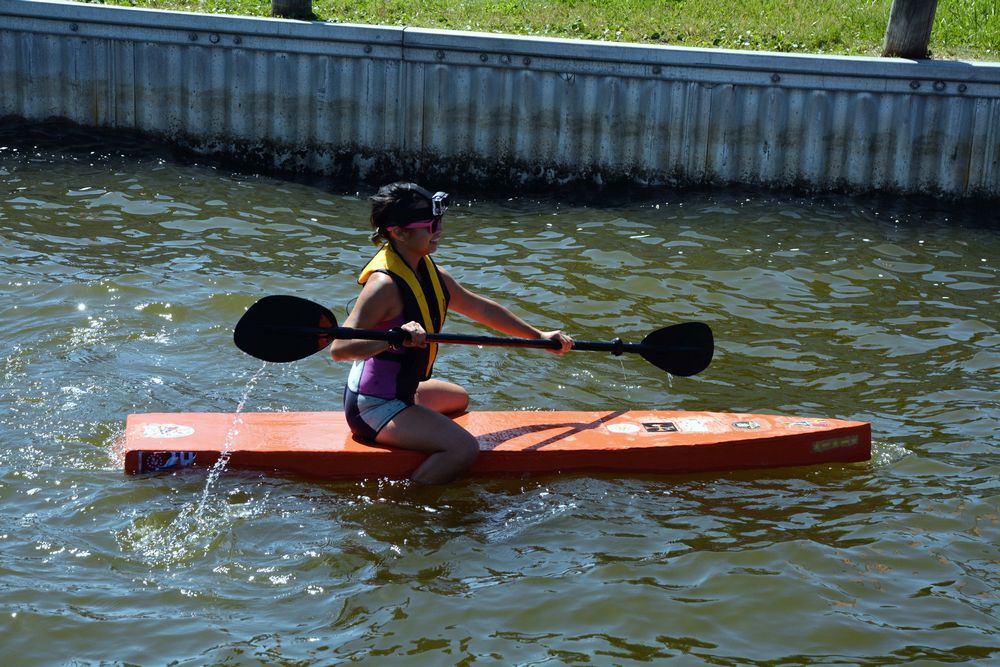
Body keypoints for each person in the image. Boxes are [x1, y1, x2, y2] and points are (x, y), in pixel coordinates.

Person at [331, 182, 573, 484]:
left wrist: (537, 336)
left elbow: (481, 309)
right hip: (373, 404)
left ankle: (415, 421)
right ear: (399, 232)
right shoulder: (383, 286)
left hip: (403, 390)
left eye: (439, 222)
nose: (439, 230)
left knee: (459, 398)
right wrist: (395, 335)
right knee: (463, 449)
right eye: (431, 225)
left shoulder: (430, 271)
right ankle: (405, 505)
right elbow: (340, 348)